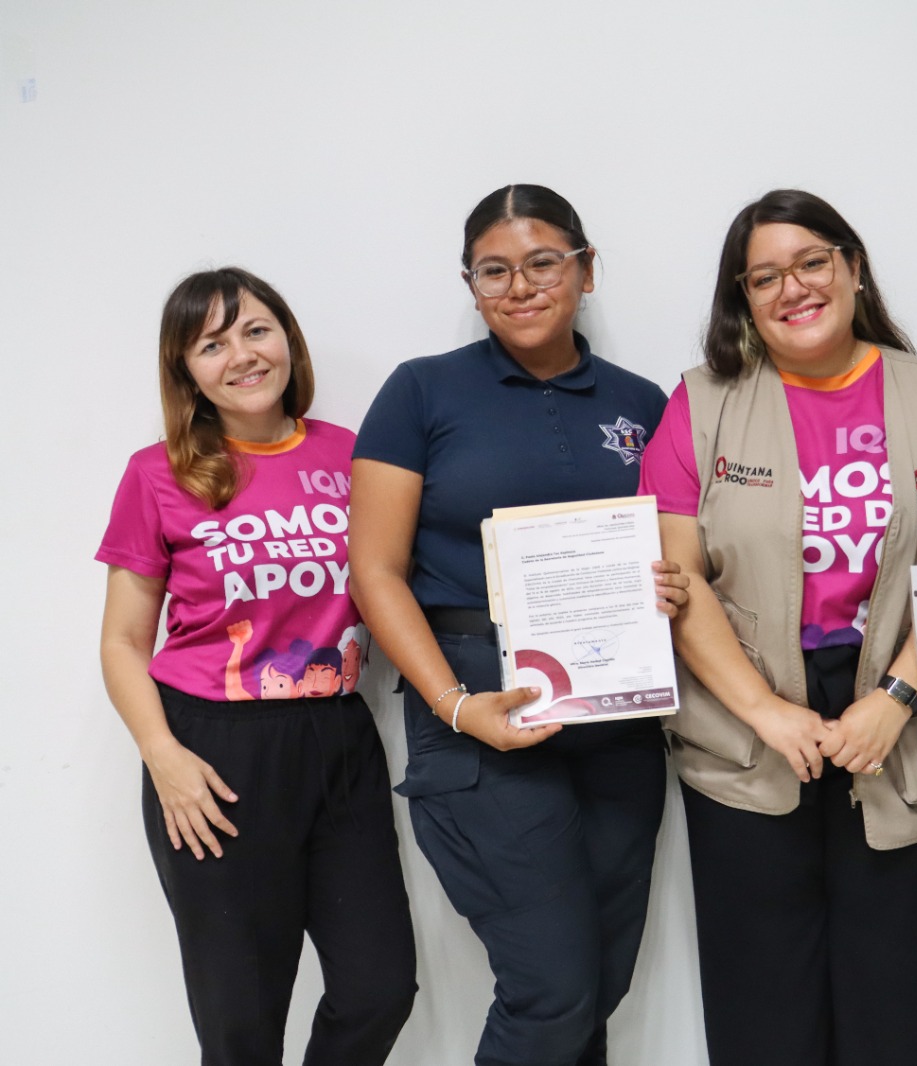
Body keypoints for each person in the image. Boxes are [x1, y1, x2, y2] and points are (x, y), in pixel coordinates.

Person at [638, 189, 917, 1066]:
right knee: (764, 1000)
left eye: (811, 263)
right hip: (744, 715)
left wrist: (897, 698)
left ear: (853, 267)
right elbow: (677, 582)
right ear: (745, 299)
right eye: (765, 277)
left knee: (898, 995)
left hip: (896, 714)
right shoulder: (700, 404)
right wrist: (765, 710)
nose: (793, 288)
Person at [348, 184, 686, 1066]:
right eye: (493, 271)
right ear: (470, 285)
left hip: (618, 711)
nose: (520, 286)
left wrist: (678, 587)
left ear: (586, 269)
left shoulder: (643, 402)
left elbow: (682, 545)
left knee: (598, 984)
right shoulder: (421, 391)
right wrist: (456, 707)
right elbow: (374, 573)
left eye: (543, 263)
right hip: (477, 707)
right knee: (552, 989)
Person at [97, 268, 416, 1066]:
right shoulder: (157, 472)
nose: (241, 354)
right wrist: (164, 757)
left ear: (288, 339)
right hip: (214, 752)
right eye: (211, 343)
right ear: (186, 371)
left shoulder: (354, 454)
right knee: (241, 1021)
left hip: (340, 737)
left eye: (256, 330)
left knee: (381, 988)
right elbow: (122, 642)